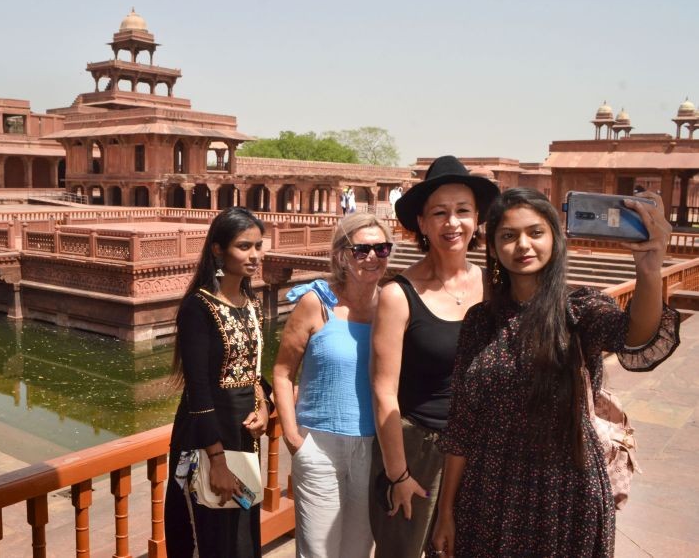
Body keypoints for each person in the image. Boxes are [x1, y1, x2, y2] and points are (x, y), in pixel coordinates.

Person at [431, 188, 680, 557]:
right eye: (509, 235)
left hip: (564, 494)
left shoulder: (578, 310)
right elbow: (463, 425)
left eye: (535, 232)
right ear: (494, 248)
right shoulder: (480, 323)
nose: (523, 245)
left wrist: (649, 269)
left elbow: (635, 338)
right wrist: (446, 511)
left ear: (555, 239)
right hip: (488, 495)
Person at [369, 155, 499, 557]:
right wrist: (398, 475)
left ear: (477, 218)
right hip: (419, 450)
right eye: (439, 213)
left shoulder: (493, 285)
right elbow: (384, 393)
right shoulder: (399, 294)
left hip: (479, 453)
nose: (452, 223)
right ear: (422, 224)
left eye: (462, 211)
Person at [272, 213, 394, 557]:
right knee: (318, 553)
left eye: (381, 248)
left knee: (358, 551)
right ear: (342, 254)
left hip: (373, 448)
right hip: (320, 445)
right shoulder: (317, 303)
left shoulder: (391, 305)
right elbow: (282, 372)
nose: (373, 257)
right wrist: (293, 438)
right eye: (362, 250)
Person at [164, 206, 274, 558]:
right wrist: (218, 462)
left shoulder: (250, 303)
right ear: (218, 250)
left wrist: (264, 404)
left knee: (241, 532)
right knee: (210, 535)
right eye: (244, 246)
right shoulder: (198, 308)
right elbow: (199, 391)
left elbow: (254, 371)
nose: (254, 255)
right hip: (207, 437)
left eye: (258, 246)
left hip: (244, 436)